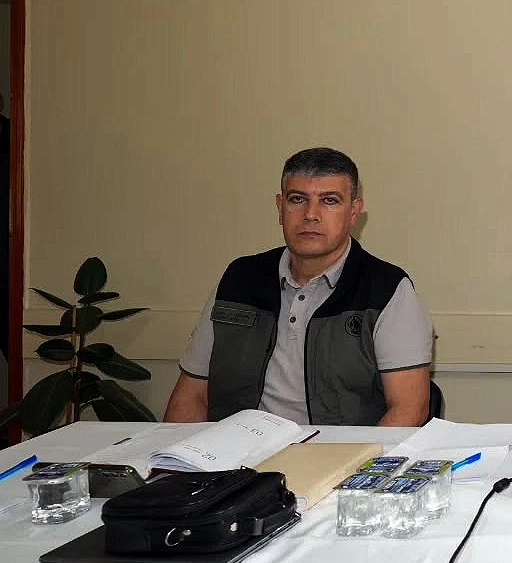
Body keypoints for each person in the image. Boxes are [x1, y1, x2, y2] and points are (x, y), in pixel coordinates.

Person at [164, 148, 433, 426]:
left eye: (329, 200)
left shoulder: (387, 289)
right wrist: (177, 454)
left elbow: (409, 409)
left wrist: (357, 457)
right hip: (239, 449)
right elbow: (192, 395)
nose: (310, 215)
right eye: (297, 199)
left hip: (340, 451)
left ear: (354, 211)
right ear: (280, 207)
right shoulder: (238, 280)